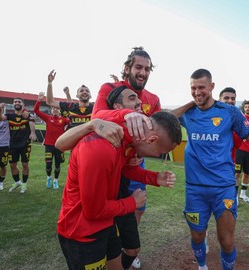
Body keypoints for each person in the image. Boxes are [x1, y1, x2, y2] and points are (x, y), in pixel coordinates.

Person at [172, 70, 249, 270]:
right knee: (197, 235)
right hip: (195, 189)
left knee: (226, 240)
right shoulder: (188, 114)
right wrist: (192, 102)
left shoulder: (230, 112)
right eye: (193, 88)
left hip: (223, 188)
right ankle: (202, 266)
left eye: (202, 87)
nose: (197, 92)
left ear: (212, 87)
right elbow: (161, 118)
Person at [56, 110, 182, 270]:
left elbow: (123, 168)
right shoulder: (101, 148)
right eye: (161, 153)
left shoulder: (125, 140)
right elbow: (93, 211)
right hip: (82, 231)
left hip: (107, 221)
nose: (158, 156)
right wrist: (132, 202)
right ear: (152, 139)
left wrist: (154, 178)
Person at [56, 85, 146, 270]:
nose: (139, 103)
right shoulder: (99, 131)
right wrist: (91, 124)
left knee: (130, 249)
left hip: (110, 210)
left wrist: (150, 172)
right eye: (132, 98)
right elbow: (60, 143)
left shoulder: (126, 132)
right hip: (85, 220)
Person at [92, 46, 162, 269]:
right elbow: (96, 119)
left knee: (137, 208)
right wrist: (125, 113)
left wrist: (139, 151)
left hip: (134, 164)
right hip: (110, 165)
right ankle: (109, 252)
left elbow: (154, 132)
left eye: (147, 69)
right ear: (127, 68)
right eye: (138, 67)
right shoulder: (110, 89)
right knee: (106, 212)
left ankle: (126, 248)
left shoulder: (153, 98)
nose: (142, 73)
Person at [0, 98, 37, 193]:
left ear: (23, 104)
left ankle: (24, 184)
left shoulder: (27, 114)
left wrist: (33, 133)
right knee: (12, 165)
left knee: (24, 164)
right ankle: (17, 182)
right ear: (13, 104)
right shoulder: (10, 115)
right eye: (15, 102)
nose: (17, 103)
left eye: (19, 102)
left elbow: (31, 123)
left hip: (25, 144)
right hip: (12, 144)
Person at [34, 92, 69, 189]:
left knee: (57, 165)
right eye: (54, 108)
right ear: (51, 110)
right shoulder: (48, 118)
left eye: (57, 108)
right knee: (48, 164)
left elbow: (71, 121)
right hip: (49, 146)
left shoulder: (64, 119)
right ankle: (49, 177)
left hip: (59, 146)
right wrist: (39, 100)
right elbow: (36, 111)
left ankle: (55, 180)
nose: (55, 110)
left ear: (59, 111)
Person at [236, 100, 249, 203]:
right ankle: (234, 196)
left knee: (247, 173)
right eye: (246, 107)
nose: (247, 108)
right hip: (239, 150)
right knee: (236, 173)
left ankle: (243, 194)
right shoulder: (240, 118)